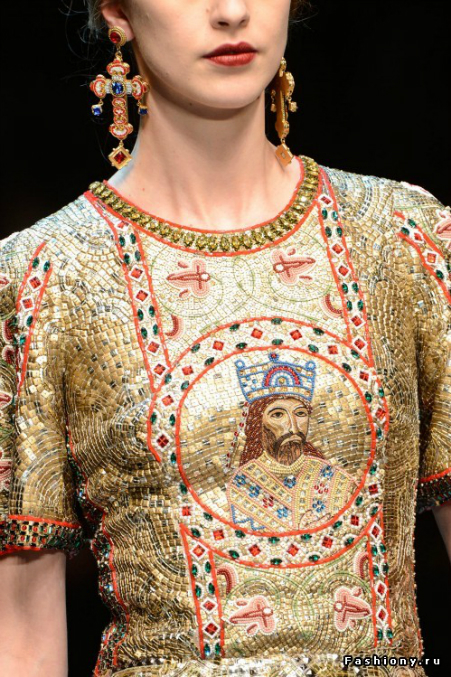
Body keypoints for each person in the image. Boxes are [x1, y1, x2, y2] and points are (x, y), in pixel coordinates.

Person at [0, 1, 449, 676]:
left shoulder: (405, 238)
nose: (232, 12)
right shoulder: (44, 278)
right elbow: (22, 637)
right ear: (117, 12)